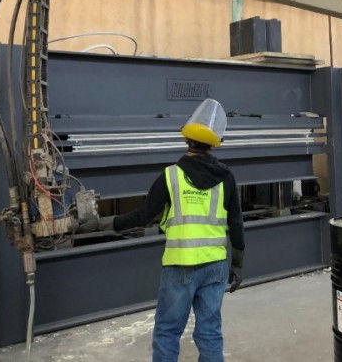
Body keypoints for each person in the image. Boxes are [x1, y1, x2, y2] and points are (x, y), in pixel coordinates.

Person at [79, 98, 244, 362]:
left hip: (181, 266)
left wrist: (103, 223)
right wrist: (237, 263)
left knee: (168, 331)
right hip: (215, 266)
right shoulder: (226, 177)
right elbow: (236, 222)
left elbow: (143, 215)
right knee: (210, 331)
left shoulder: (171, 175)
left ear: (186, 140)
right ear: (214, 143)